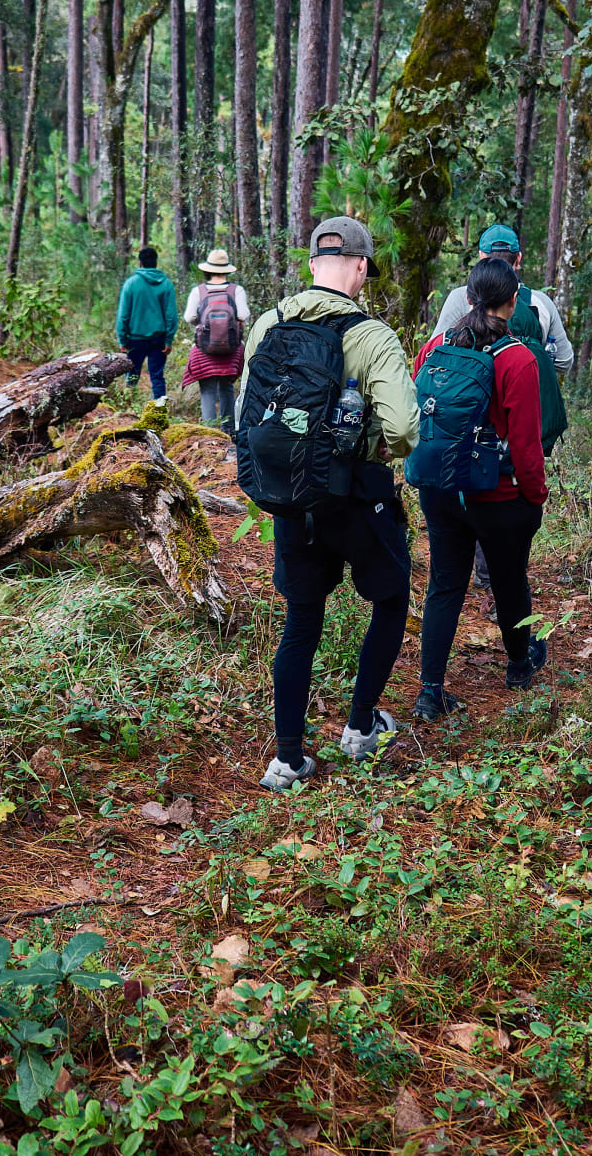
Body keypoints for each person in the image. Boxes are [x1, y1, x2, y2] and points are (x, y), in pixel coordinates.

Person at [233, 216, 419, 792]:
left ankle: (288, 759)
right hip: (357, 497)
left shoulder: (270, 322)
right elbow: (406, 428)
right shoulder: (372, 336)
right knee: (391, 601)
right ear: (360, 266)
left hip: (290, 498)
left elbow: (244, 412)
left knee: (301, 621)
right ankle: (361, 726)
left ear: (313, 262)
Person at [408, 257, 549, 722]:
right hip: (498, 494)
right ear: (513, 302)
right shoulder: (518, 359)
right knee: (510, 581)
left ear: (468, 298)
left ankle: (430, 691)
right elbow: (527, 445)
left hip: (442, 489)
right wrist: (535, 496)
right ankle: (518, 664)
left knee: (445, 584)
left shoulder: (433, 348)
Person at [434, 224, 575, 380]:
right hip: (526, 392)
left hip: (472, 397)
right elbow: (564, 361)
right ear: (518, 258)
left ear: (481, 256)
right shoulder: (541, 302)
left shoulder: (461, 296)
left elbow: (435, 351)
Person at [180, 248, 251, 425]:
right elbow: (243, 315)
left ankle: (209, 433)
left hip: (204, 349)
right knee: (227, 388)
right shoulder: (237, 290)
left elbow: (189, 317)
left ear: (207, 270)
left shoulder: (199, 291)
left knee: (207, 390)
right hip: (231, 349)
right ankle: (229, 429)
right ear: (227, 269)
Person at [114, 245, 179, 401]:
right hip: (159, 338)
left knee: (132, 375)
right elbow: (171, 316)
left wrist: (122, 340)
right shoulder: (166, 284)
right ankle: (160, 411)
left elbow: (123, 315)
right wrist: (168, 339)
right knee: (157, 375)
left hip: (135, 339)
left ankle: (129, 410)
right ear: (156, 262)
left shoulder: (131, 284)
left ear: (140, 263)